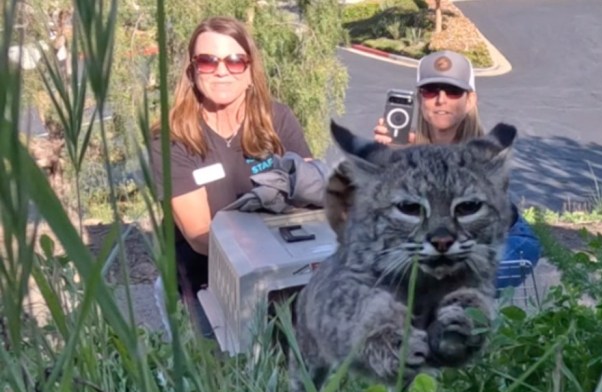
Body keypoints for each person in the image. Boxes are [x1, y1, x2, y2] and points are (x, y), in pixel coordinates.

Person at [149, 17, 319, 334]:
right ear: (192, 71)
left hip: (284, 276)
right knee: (219, 376)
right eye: (208, 61)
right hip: (204, 282)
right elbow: (201, 237)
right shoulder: (171, 138)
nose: (222, 71)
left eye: (235, 60)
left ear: (250, 70)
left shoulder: (277, 119)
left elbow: (312, 191)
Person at [327, 50, 540, 292]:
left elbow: (500, 217)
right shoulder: (400, 159)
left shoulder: (483, 154)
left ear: (470, 100)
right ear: (420, 98)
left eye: (453, 91)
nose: (441, 100)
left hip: (508, 237)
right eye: (430, 91)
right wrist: (394, 171)